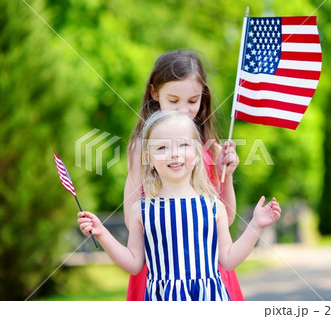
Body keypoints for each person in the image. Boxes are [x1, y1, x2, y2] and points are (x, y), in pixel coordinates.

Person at [78, 111, 281, 301]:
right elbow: (133, 263)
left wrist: (256, 225)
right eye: (162, 147)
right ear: (148, 158)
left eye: (183, 145)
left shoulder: (213, 206)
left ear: (197, 152)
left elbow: (228, 259)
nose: (174, 154)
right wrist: (101, 232)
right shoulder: (142, 210)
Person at [124, 49, 244, 300]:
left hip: (208, 273)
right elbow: (131, 217)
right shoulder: (142, 150)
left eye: (192, 101)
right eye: (173, 99)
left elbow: (227, 219)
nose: (183, 109)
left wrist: (227, 175)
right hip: (160, 273)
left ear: (203, 98)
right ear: (154, 94)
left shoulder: (209, 147)